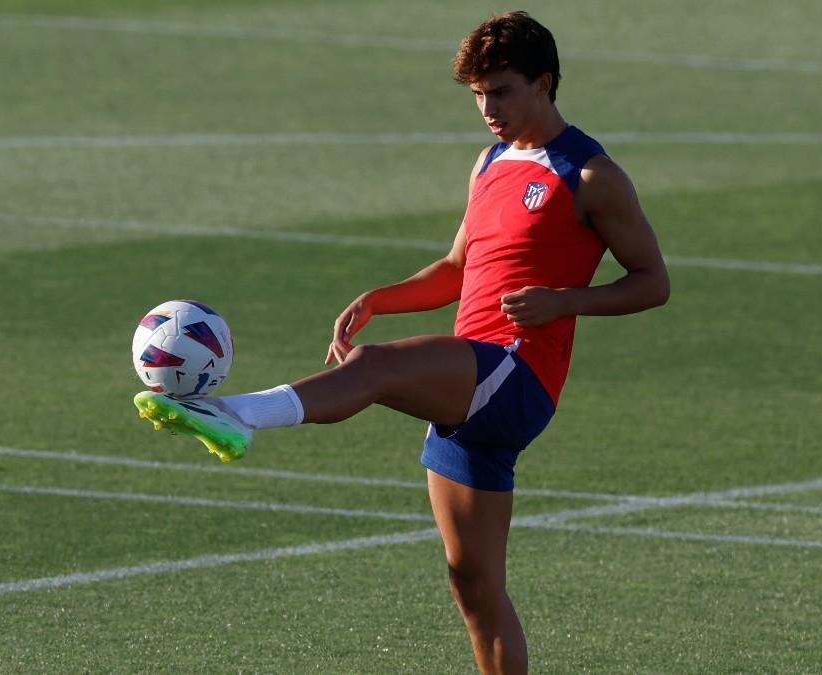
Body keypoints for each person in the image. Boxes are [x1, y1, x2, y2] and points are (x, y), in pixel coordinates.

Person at [133, 11, 669, 674]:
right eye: (477, 94)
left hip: (514, 374)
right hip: (467, 384)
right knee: (474, 587)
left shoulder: (590, 176)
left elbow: (653, 281)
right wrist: (379, 297)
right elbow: (455, 269)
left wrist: (566, 302)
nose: (486, 108)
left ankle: (234, 412)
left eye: (500, 91)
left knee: (377, 367)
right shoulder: (492, 163)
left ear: (544, 82)